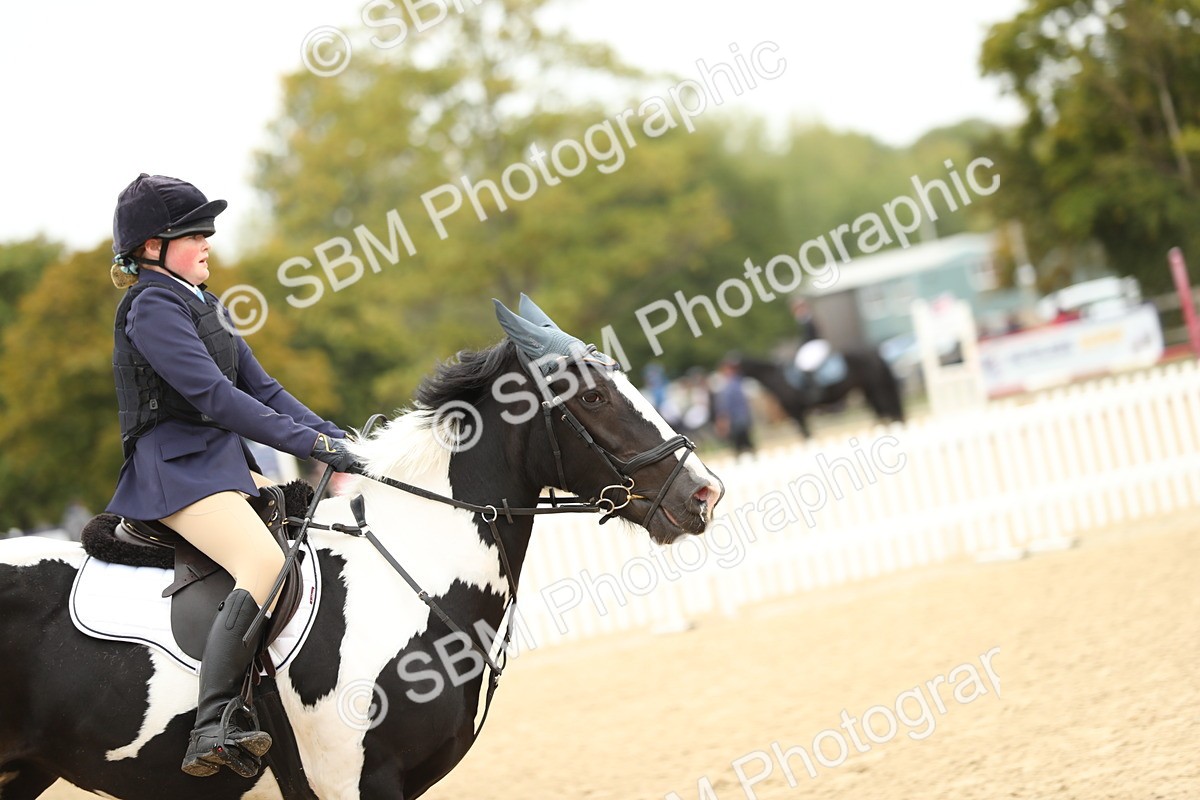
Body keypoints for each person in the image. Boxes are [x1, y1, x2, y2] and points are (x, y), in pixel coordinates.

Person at [105, 174, 360, 779]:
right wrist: (313, 444)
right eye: (192, 234)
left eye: (207, 231)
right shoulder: (151, 307)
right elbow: (217, 398)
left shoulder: (202, 304)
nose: (206, 242)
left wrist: (336, 437)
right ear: (150, 248)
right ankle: (213, 723)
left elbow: (263, 388)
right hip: (175, 473)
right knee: (266, 567)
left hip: (219, 467)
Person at [712, 356, 755, 459]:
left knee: (743, 443)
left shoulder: (735, 383)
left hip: (740, 418)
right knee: (740, 444)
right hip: (737, 418)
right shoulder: (728, 385)